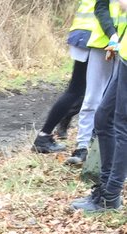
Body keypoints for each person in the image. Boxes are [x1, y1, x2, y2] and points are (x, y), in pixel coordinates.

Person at [72, 0, 127, 210]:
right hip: (124, 53)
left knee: (122, 126)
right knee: (103, 118)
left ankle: (111, 196)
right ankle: (105, 187)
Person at [63, 0, 120, 164]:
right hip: (103, 42)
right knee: (92, 98)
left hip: (124, 48)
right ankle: (82, 147)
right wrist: (112, 34)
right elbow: (101, 7)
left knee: (118, 101)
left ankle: (109, 151)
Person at [33, 2, 92, 153]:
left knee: (78, 90)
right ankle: (48, 134)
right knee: (83, 90)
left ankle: (46, 134)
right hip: (94, 39)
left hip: (82, 35)